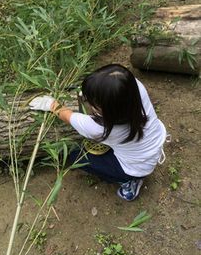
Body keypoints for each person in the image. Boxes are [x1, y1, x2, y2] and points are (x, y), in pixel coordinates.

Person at [29, 64, 167, 201]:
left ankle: (130, 181)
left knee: (73, 153)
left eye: (93, 103)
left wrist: (51, 105)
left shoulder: (100, 128)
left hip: (135, 168)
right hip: (152, 148)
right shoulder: (135, 89)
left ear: (109, 110)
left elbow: (66, 115)